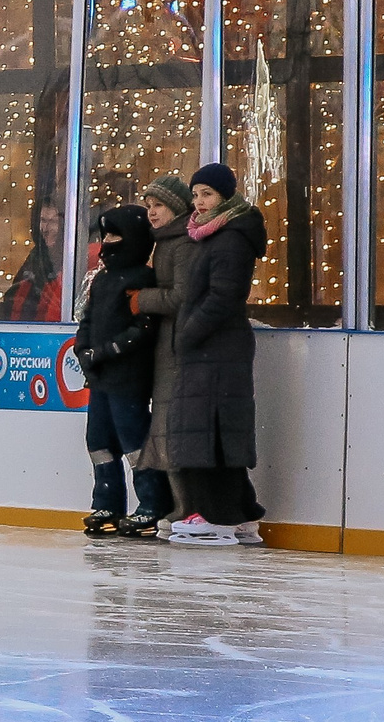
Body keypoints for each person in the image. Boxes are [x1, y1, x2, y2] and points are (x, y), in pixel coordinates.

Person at [135, 163, 267, 547]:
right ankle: (241, 513)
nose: (200, 202)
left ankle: (214, 515)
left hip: (216, 349)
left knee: (206, 433)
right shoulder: (212, 234)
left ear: (225, 196)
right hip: (210, 348)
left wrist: (188, 332)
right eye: (195, 195)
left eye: (207, 194)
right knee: (211, 432)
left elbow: (224, 297)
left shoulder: (230, 238)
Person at [73, 204, 165, 536]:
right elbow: (87, 319)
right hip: (100, 377)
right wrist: (82, 348)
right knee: (98, 440)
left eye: (115, 235)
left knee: (133, 441)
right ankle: (107, 503)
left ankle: (152, 503)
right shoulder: (101, 281)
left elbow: (143, 327)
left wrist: (108, 350)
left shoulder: (143, 278)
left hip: (128, 377)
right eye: (105, 235)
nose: (108, 242)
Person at [130, 175, 196, 518]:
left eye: (158, 205)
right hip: (166, 348)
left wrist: (143, 299)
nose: (151, 213)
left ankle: (185, 508)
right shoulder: (166, 240)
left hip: (177, 349)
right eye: (148, 206)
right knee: (164, 429)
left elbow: (183, 297)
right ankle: (178, 506)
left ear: (175, 207)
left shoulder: (182, 242)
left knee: (170, 429)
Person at [3, 199, 65, 321]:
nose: (46, 228)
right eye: (43, 221)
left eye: (53, 222)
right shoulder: (36, 256)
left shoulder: (69, 259)